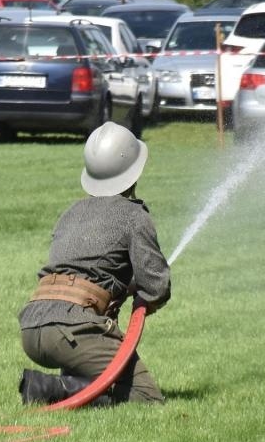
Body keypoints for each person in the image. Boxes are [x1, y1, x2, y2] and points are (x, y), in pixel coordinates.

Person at [18, 122, 171, 406]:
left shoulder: (71, 212)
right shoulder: (134, 216)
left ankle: (68, 385)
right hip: (72, 331)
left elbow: (85, 270)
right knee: (146, 399)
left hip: (32, 327)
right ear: (134, 169)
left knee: (103, 379)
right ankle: (49, 388)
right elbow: (157, 288)